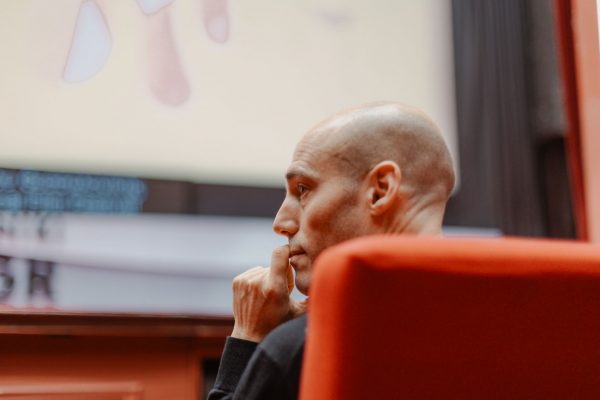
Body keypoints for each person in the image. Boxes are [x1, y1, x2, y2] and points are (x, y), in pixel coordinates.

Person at [208, 102, 455, 399]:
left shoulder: (301, 350)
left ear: (380, 190)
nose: (281, 223)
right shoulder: (502, 321)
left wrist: (248, 337)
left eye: (303, 190)